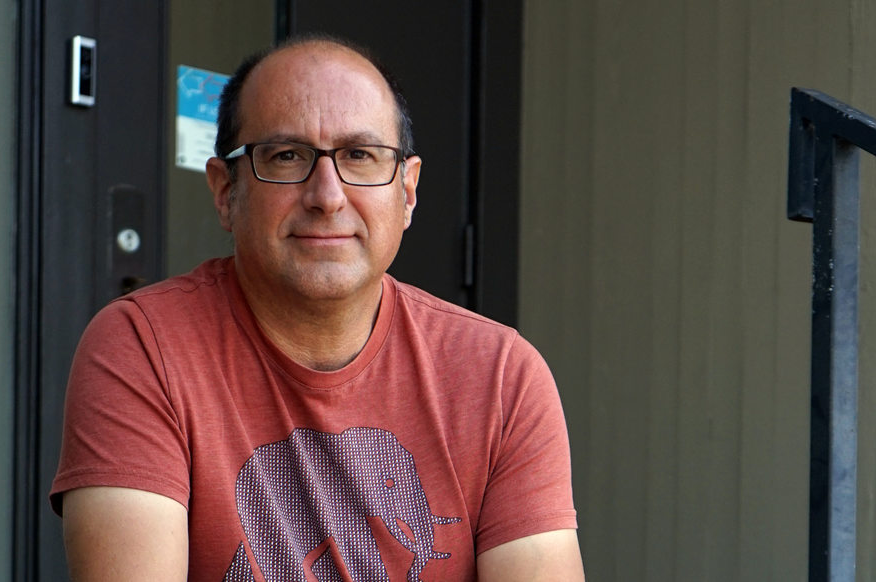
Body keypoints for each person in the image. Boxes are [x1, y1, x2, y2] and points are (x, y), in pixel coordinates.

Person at [50, 35, 583, 581]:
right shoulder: (144, 348)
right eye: (286, 156)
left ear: (408, 192)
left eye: (360, 155)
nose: (327, 195)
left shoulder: (502, 377)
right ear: (224, 191)